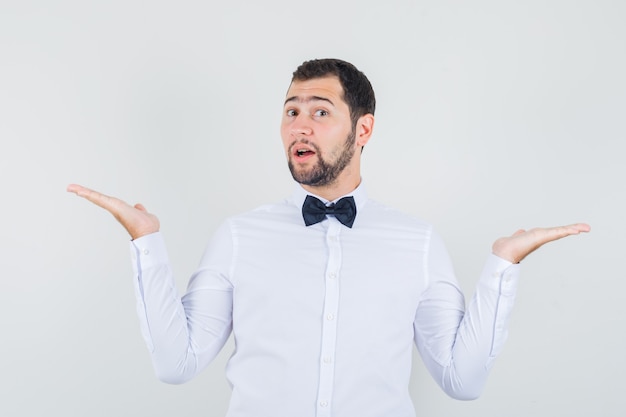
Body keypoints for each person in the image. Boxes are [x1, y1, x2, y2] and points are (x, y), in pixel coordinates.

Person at [67, 58, 590, 417]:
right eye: (292, 111)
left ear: (363, 130)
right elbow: (175, 364)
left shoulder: (418, 242)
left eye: (321, 111)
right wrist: (145, 243)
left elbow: (462, 380)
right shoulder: (239, 237)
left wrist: (503, 266)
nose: (301, 126)